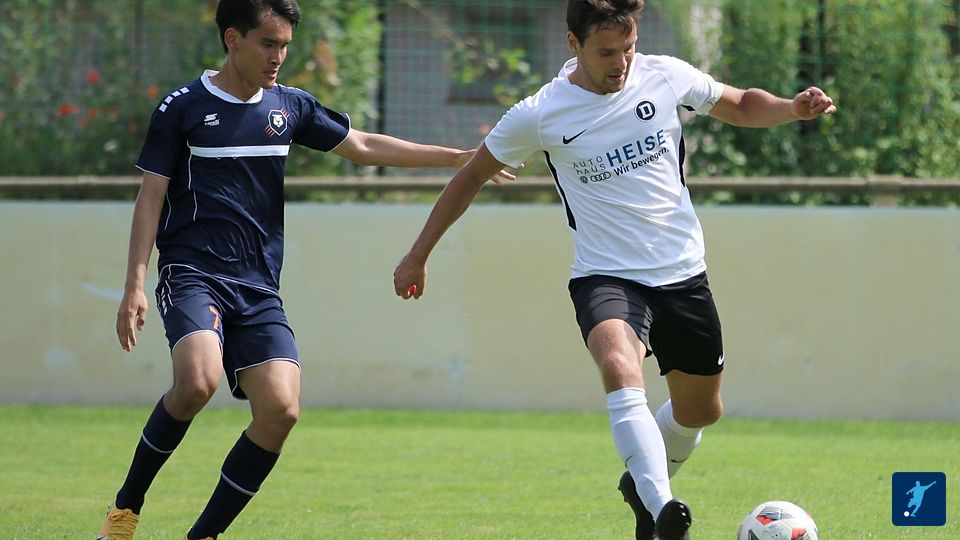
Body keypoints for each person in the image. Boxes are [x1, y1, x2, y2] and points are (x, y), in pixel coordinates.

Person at [392, 0, 836, 538]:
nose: (621, 62)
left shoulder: (664, 76)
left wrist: (792, 108)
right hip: (606, 277)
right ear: (574, 44)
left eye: (628, 48)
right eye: (606, 52)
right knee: (621, 368)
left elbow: (740, 104)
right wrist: (418, 253)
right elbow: (470, 176)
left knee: (701, 411)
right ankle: (663, 506)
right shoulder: (541, 113)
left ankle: (641, 488)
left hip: (683, 275)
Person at [96, 1, 514, 539]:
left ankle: (203, 535)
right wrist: (134, 284)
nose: (279, 56)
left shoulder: (289, 106)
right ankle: (125, 511)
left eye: (285, 46)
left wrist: (459, 157)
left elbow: (363, 145)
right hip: (193, 272)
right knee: (197, 382)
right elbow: (151, 195)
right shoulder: (183, 107)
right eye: (268, 44)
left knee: (281, 410)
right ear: (233, 39)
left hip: (258, 286)